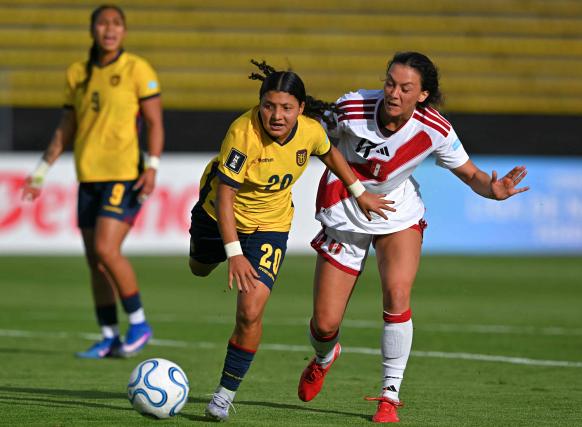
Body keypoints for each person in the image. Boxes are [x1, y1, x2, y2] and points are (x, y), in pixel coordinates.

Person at [297, 51, 529, 423]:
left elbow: (471, 174)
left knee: (398, 293)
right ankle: (325, 356)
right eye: (390, 82)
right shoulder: (352, 107)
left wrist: (493, 189)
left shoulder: (434, 128)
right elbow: (316, 142)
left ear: (422, 95)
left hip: (396, 211)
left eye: (406, 88)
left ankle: (389, 396)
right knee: (324, 324)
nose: (393, 93)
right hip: (346, 210)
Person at [188, 60, 394, 421]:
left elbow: (330, 152)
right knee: (199, 269)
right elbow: (225, 196)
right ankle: (217, 257)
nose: (277, 115)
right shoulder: (242, 134)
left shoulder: (310, 132)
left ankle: (224, 394)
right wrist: (234, 253)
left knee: (250, 311)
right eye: (269, 106)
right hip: (216, 216)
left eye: (286, 107)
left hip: (269, 226)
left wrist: (359, 191)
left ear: (300, 108)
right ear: (259, 105)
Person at [22, 4, 163, 359]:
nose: (110, 29)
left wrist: (152, 166)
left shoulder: (137, 69)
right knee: (95, 262)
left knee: (105, 249)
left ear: (124, 32)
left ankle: (140, 322)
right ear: (93, 30)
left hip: (124, 175)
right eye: (103, 23)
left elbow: (155, 121)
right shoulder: (77, 74)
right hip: (89, 178)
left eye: (116, 24)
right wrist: (40, 171)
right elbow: (66, 127)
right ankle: (109, 335)